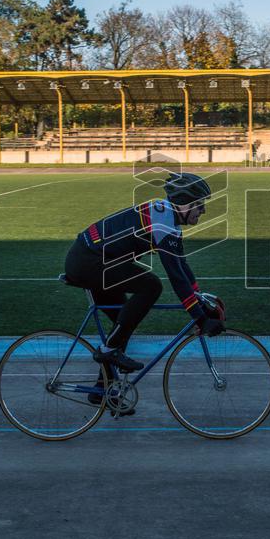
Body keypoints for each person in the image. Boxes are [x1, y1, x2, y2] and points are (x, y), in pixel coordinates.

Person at [63, 172, 225, 409]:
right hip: (89, 261)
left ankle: (101, 390)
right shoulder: (162, 219)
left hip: (94, 260)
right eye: (200, 205)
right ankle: (108, 351)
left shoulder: (168, 219)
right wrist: (200, 318)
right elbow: (175, 277)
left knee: (124, 323)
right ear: (184, 203)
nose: (204, 210)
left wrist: (201, 303)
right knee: (151, 285)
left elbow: (183, 268)